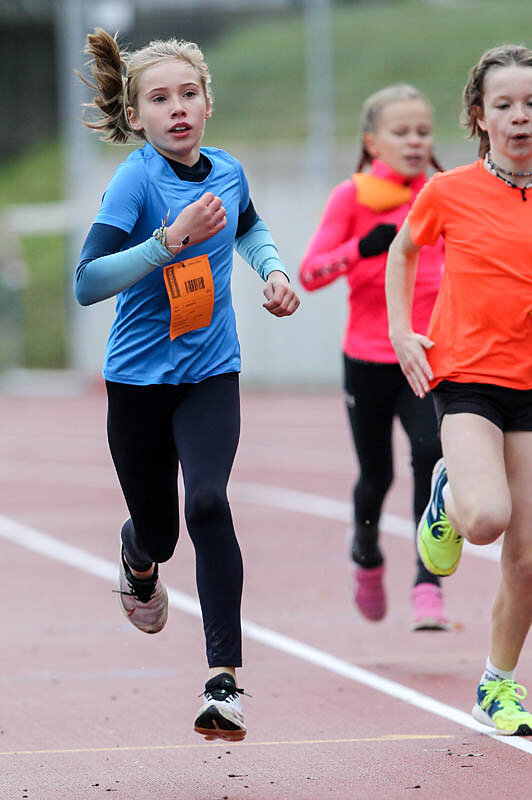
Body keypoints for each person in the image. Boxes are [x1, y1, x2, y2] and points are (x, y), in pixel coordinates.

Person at [74, 28, 299, 742]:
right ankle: (137, 556)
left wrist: (272, 270)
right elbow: (87, 282)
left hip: (210, 373)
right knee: (161, 535)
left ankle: (223, 684)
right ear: (135, 115)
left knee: (207, 501)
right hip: (138, 383)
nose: (177, 108)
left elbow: (250, 227)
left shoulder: (228, 170)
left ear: (207, 104)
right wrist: (166, 242)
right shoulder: (136, 180)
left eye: (189, 94)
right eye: (160, 98)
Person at [386, 44, 532, 736]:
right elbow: (403, 251)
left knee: (527, 559)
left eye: (531, 104)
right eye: (505, 105)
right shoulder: (448, 191)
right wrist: (401, 331)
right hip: (469, 377)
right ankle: (447, 494)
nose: (521, 116)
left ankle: (497, 685)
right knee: (485, 521)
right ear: (479, 116)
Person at [299, 84, 449, 631]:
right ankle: (365, 552)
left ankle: (428, 584)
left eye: (423, 131)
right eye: (401, 132)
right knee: (376, 475)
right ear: (372, 142)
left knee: (431, 455)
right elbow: (309, 273)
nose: (414, 141)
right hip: (366, 359)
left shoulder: (442, 192)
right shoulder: (352, 197)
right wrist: (362, 247)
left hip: (425, 355)